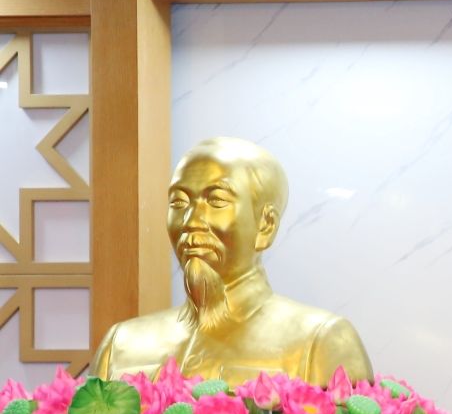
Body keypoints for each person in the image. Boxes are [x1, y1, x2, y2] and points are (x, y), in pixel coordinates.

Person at [90, 137, 372, 386]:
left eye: (216, 201)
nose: (191, 221)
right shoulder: (122, 343)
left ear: (265, 225)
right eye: (179, 202)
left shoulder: (321, 342)